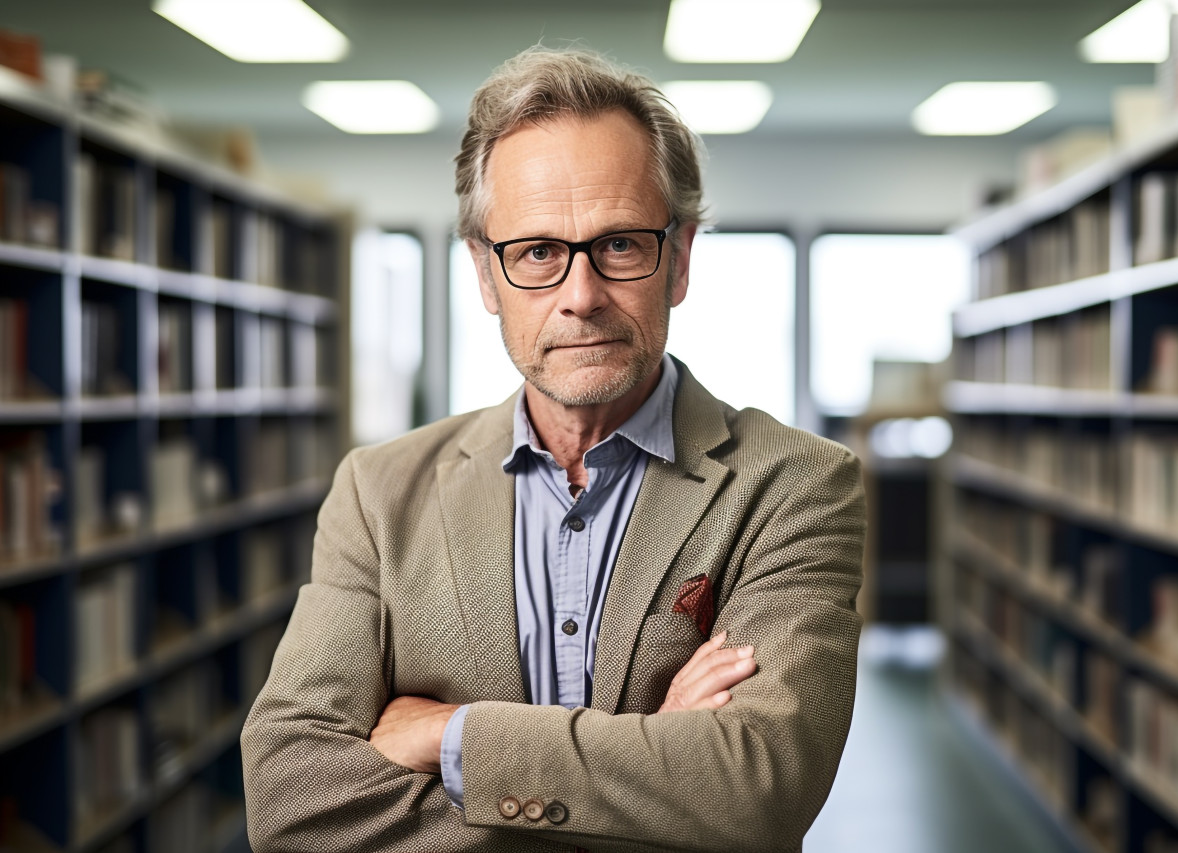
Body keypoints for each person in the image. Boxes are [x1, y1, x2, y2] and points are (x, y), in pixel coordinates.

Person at [241, 46, 865, 853]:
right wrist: (653, 780)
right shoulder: (377, 492)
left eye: (620, 245)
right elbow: (289, 800)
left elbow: (759, 788)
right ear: (484, 274)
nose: (580, 296)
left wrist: (451, 736)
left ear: (679, 259)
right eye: (537, 251)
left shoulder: (795, 486)